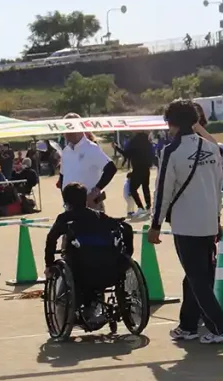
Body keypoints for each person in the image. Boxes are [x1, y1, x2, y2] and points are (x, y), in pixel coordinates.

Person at [149, 99, 223, 344]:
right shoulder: (212, 148)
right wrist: (217, 219)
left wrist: (155, 225)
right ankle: (188, 325)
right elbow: (218, 188)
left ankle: (219, 327)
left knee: (197, 279)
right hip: (209, 222)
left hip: (186, 224)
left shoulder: (171, 152)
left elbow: (162, 191)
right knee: (196, 277)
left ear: (171, 123)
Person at [44, 183, 124, 312]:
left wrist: (49, 264)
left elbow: (51, 239)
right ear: (85, 199)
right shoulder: (98, 216)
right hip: (107, 267)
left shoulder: (65, 218)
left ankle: (70, 313)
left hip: (79, 269)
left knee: (63, 288)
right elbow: (120, 226)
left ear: (66, 202)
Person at [57, 113, 118, 211]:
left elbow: (111, 168)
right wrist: (65, 199)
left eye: (71, 127)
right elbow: (62, 176)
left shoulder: (91, 148)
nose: (67, 132)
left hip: (90, 206)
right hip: (70, 207)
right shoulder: (65, 151)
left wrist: (96, 191)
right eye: (65, 128)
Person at [123, 132, 154, 217]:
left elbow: (126, 154)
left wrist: (116, 148)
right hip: (146, 169)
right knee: (145, 188)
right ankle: (148, 207)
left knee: (133, 189)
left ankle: (140, 207)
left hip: (137, 169)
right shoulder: (148, 145)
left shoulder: (134, 144)